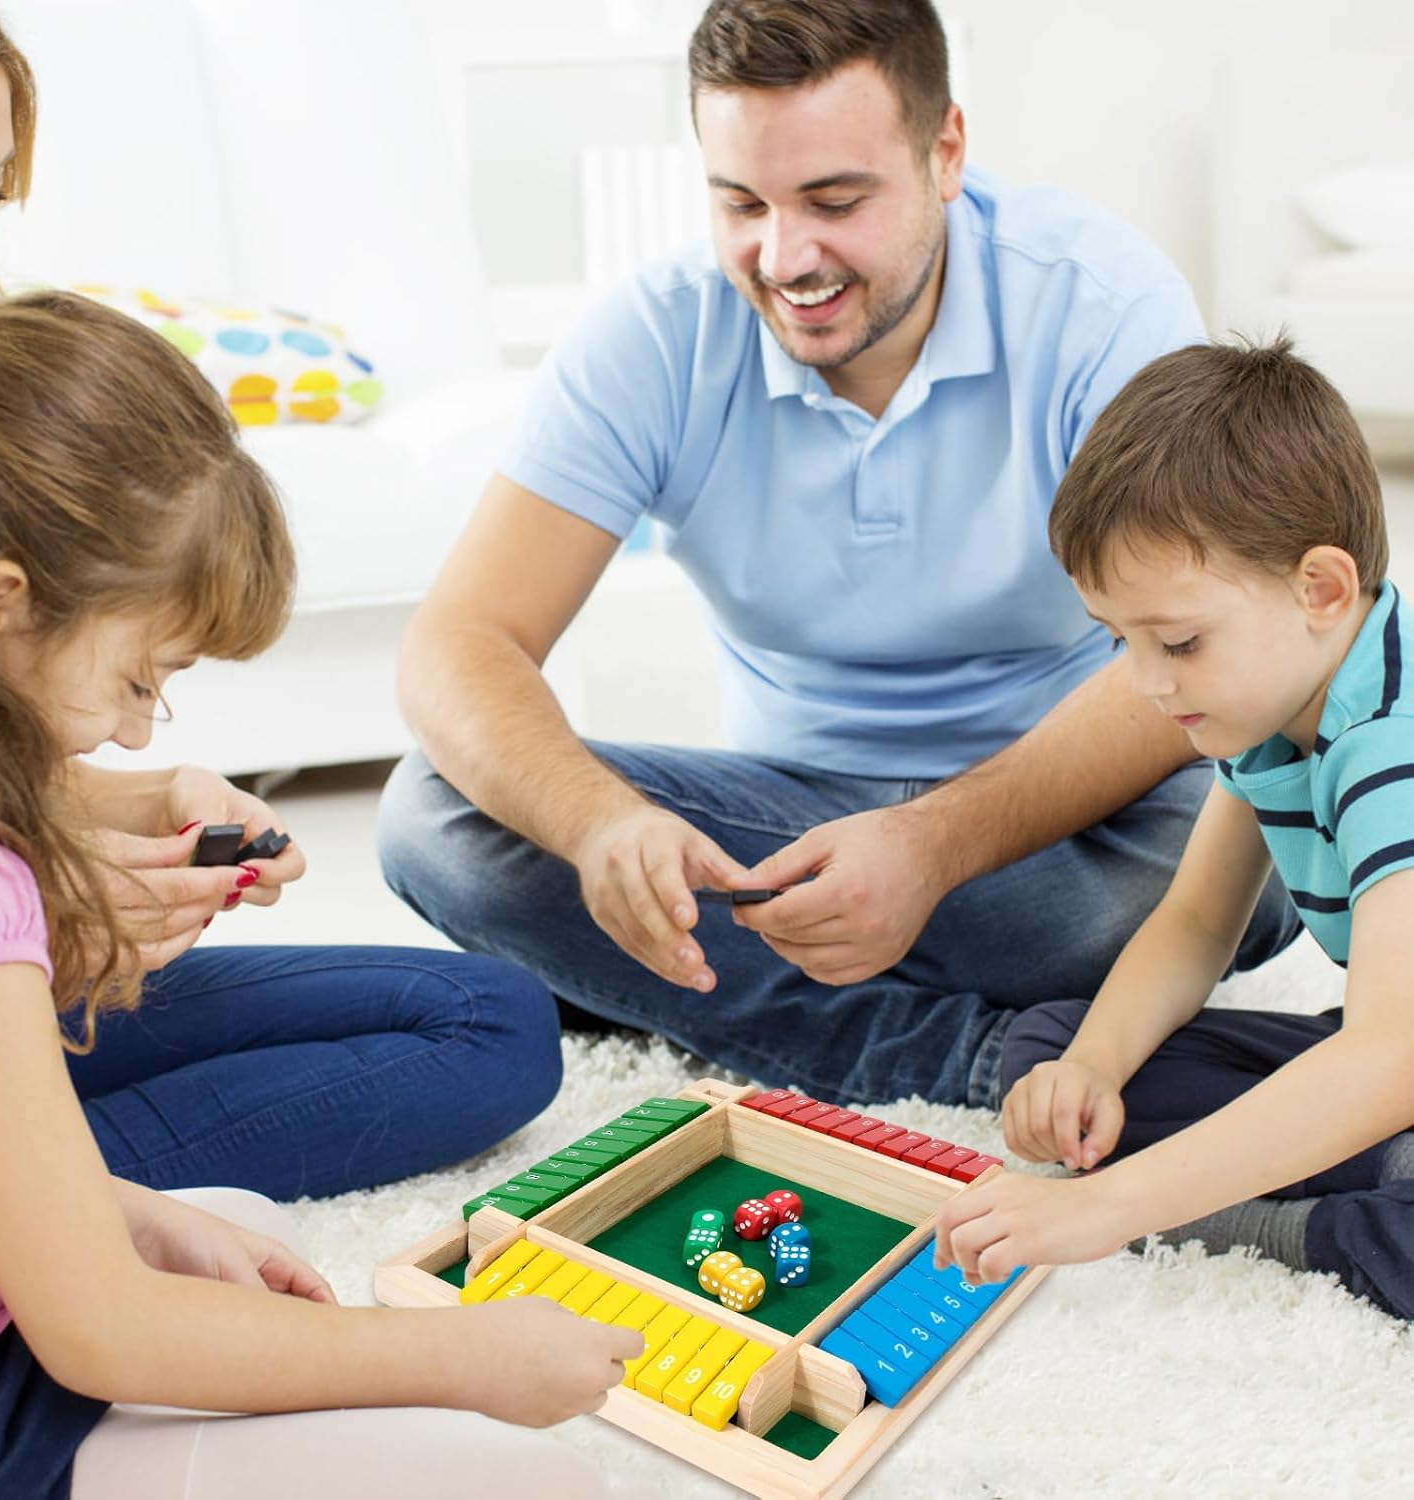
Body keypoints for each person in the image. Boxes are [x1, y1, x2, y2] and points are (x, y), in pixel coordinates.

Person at [376, 0, 1300, 1110]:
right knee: (434, 818)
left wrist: (932, 848)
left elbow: (1208, 652)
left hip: (1066, 822)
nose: (785, 257)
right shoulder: (653, 338)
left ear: (945, 151)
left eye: (835, 201)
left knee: (1252, 831)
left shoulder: (1102, 306)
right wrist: (600, 824)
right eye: (741, 203)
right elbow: (458, 643)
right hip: (790, 830)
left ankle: (703, 991)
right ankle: (949, 1055)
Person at [0, 291, 639, 1498]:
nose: (139, 727)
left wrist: (124, 1215)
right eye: (139, 677)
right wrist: (457, 1356)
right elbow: (98, 1331)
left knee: (246, 1229)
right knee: (534, 1482)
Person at [0, 0, 565, 1201]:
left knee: (494, 1019)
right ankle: (9, 1205)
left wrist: (134, 807)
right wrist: (34, 910)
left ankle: (23, 1175)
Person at [931, 338, 1414, 1322]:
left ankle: (1310, 1225)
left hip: (1394, 1054)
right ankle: (1361, 1153)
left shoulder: (1388, 748)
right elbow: (1197, 922)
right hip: (1388, 1053)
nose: (1149, 684)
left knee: (1368, 1116)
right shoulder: (1273, 698)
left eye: (1180, 643)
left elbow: (1389, 1055)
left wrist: (1107, 1209)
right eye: (1125, 642)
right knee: (1052, 1046)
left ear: (1321, 589)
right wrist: (1093, 1069)